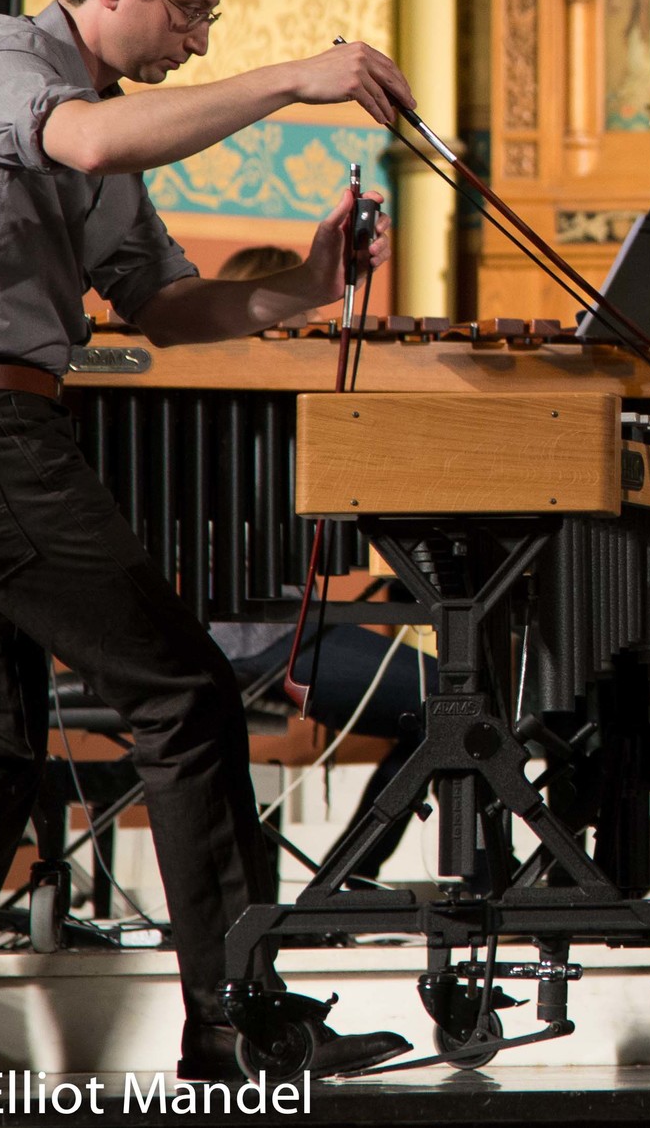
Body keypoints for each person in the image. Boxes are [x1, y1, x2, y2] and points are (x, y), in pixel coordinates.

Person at [0, 0, 416, 1088]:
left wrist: (309, 284)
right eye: (189, 10)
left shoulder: (102, 132)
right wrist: (294, 78)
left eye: (210, 17)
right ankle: (235, 1024)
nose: (200, 35)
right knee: (188, 693)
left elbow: (165, 304)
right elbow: (89, 134)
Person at [209, 244, 429, 885]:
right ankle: (345, 886)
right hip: (256, 637)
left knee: (461, 703)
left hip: (292, 627)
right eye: (299, 318)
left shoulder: (289, 413)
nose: (313, 334)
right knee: (452, 706)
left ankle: (342, 885)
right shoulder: (213, 420)